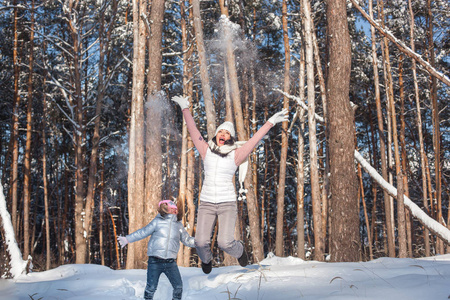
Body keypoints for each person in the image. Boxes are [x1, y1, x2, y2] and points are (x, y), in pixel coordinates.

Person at [171, 95, 288, 274]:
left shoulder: (237, 154)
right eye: (220, 132)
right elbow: (194, 131)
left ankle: (239, 250)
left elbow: (255, 139)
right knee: (201, 242)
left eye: (226, 133)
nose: (223, 135)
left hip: (227, 203)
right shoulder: (206, 150)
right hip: (207, 203)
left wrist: (270, 122)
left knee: (224, 242)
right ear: (216, 135)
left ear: (231, 138)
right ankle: (207, 259)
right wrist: (185, 109)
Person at [117, 200, 195, 300]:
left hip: (170, 262)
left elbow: (187, 240)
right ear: (165, 209)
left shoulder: (178, 225)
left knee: (178, 287)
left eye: (176, 209)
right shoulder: (157, 221)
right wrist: (127, 239)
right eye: (172, 208)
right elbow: (143, 232)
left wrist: (199, 242)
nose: (175, 210)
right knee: (151, 287)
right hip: (155, 261)